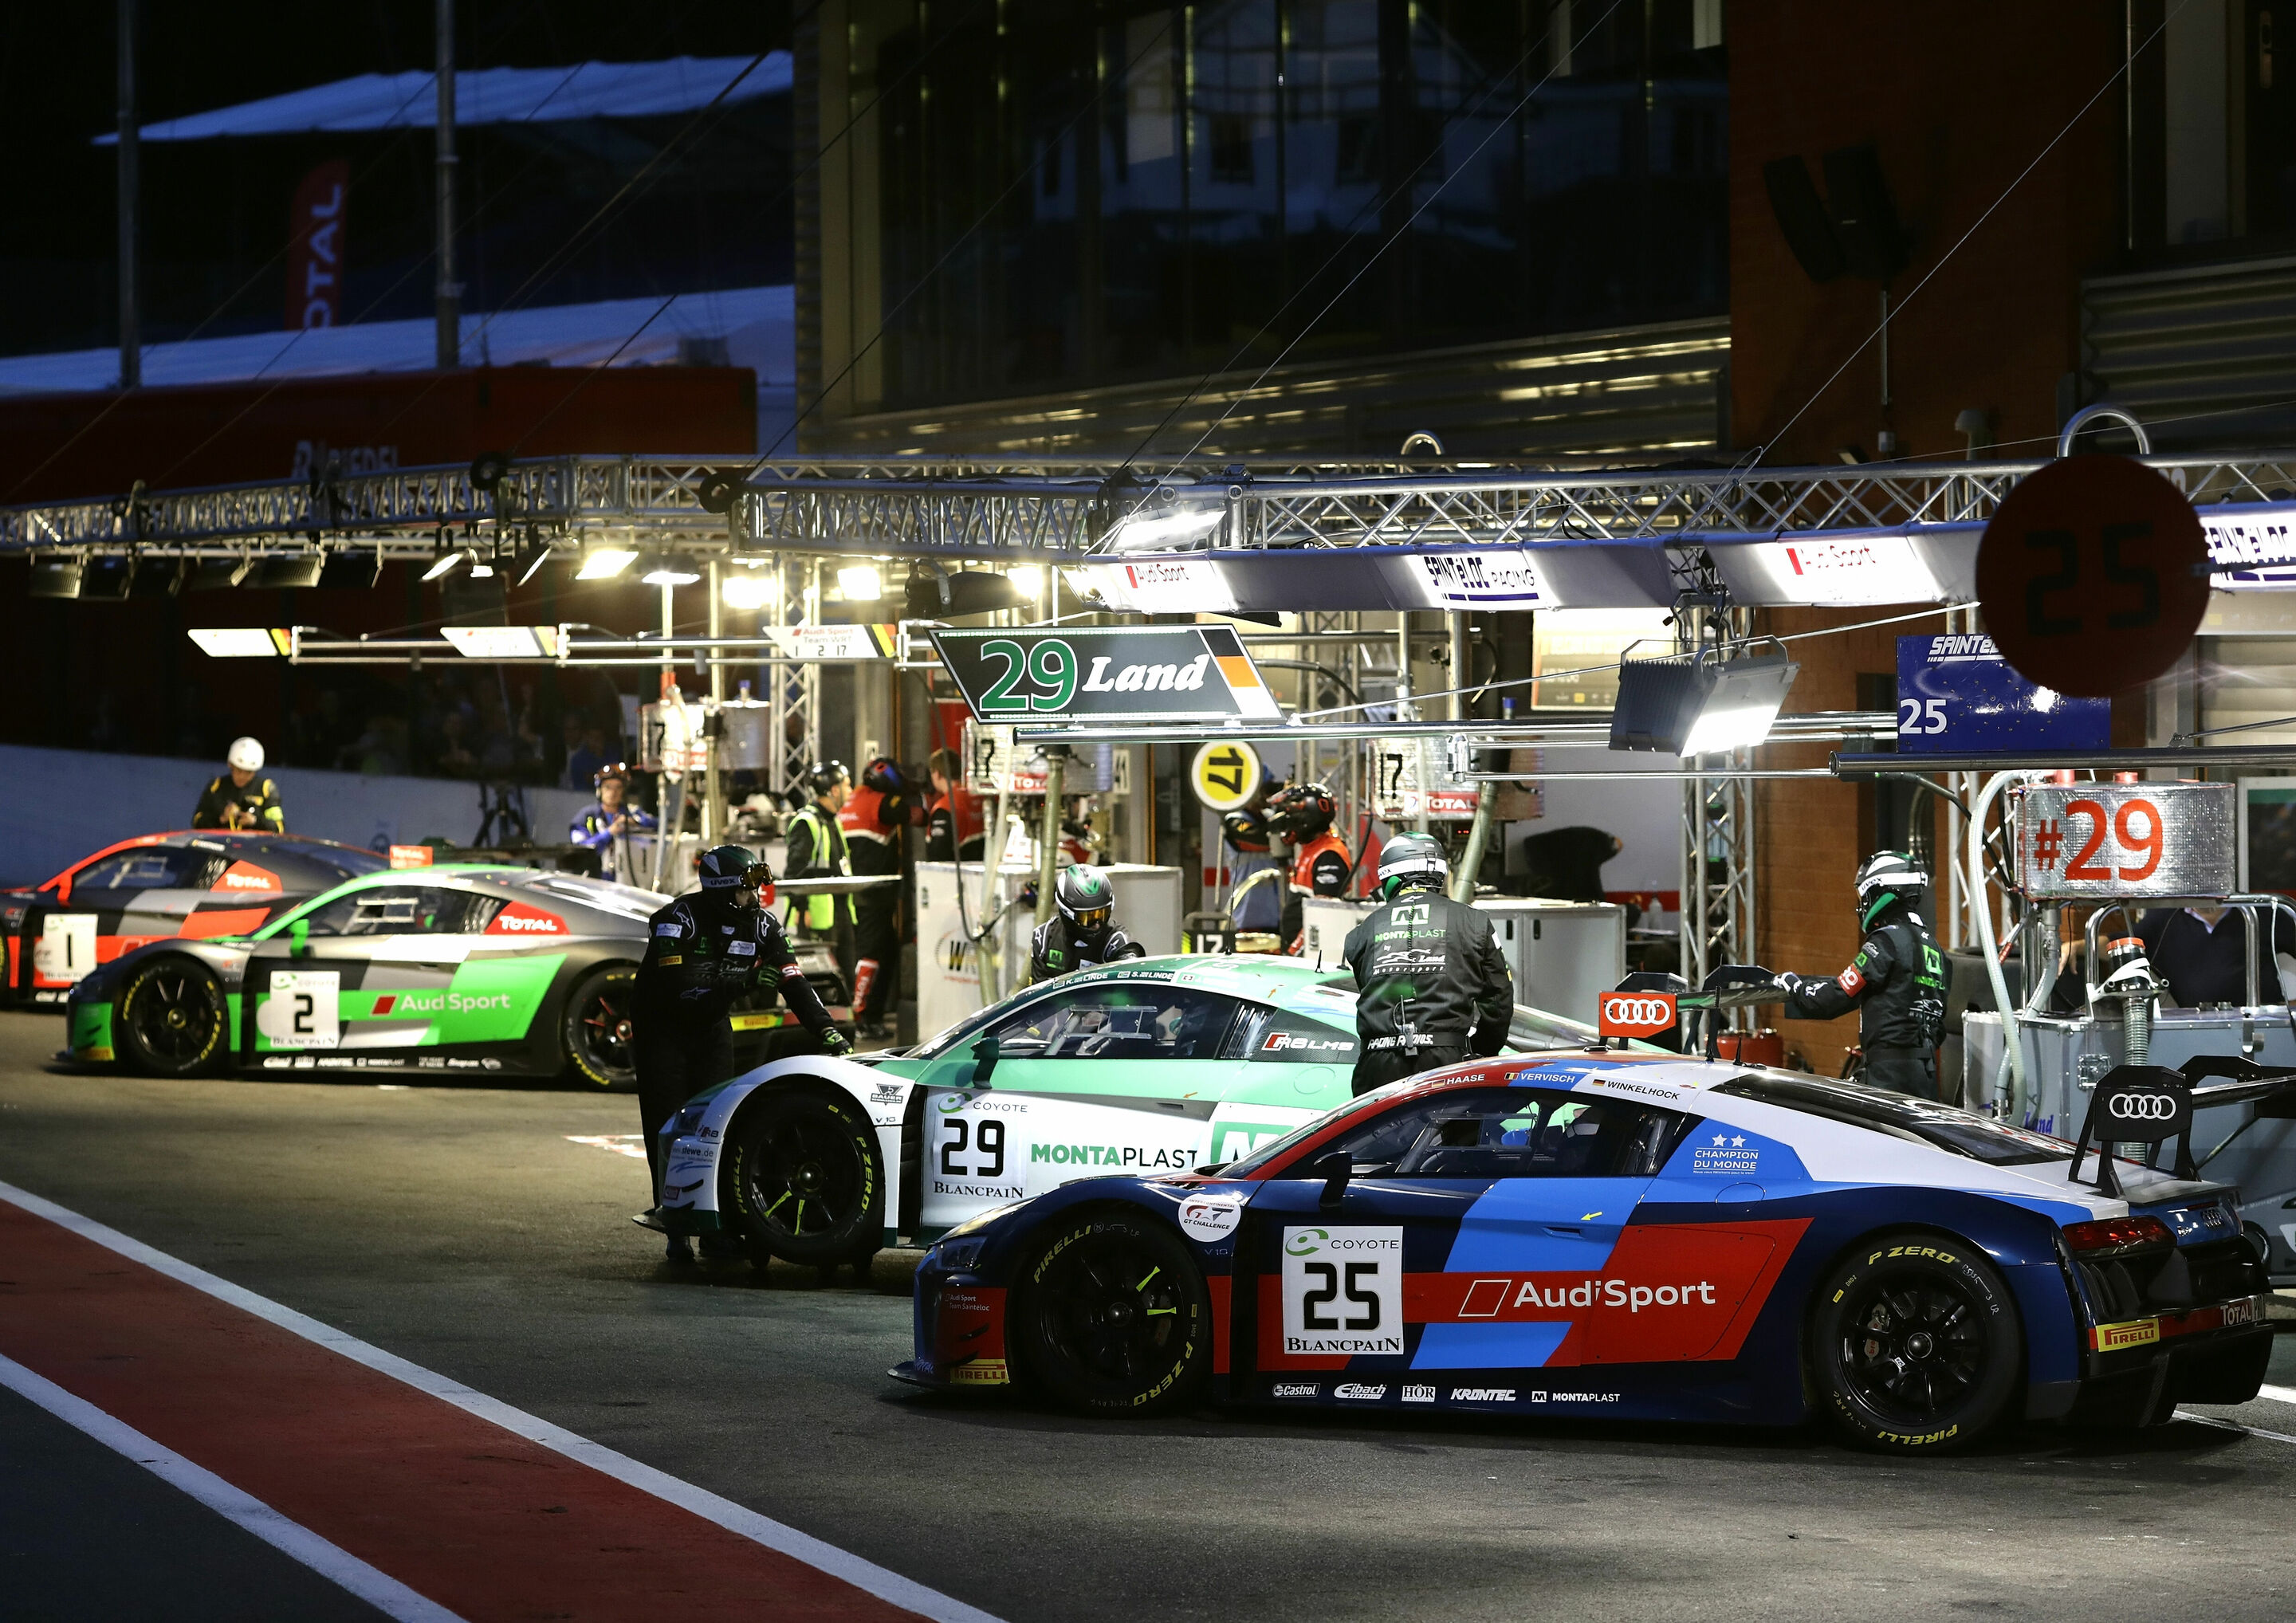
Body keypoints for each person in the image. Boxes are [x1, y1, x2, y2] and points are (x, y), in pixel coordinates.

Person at [633, 844, 849, 1266]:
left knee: (716, 1123)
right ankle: (675, 1228)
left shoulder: (764, 927)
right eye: (747, 891)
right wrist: (744, 983)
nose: (755, 899)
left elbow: (793, 979)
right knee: (668, 1129)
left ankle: (717, 1226)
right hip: (662, 1032)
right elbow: (678, 988)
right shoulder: (676, 921)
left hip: (711, 1030)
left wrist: (827, 1031)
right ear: (722, 890)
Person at [1341, 831, 1514, 1096]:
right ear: (1439, 875)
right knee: (1455, 1138)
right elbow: (1498, 1002)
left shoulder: (1362, 932)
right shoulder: (1474, 922)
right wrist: (1482, 1052)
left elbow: (1369, 990)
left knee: (1376, 1137)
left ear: (1389, 876)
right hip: (1448, 1063)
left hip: (1378, 1064)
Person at [1777, 850, 1949, 1098]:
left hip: (1887, 1078)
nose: (1863, 903)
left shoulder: (1885, 941)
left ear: (1880, 891)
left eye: (1865, 895)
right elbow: (1940, 1021)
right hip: (1926, 1078)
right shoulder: (1935, 948)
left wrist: (1794, 985)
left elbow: (1835, 997)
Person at [839, 757, 925, 1039]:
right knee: (872, 954)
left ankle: (871, 1015)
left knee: (885, 951)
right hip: (873, 894)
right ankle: (861, 1016)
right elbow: (915, 816)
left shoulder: (853, 799)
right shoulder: (880, 802)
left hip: (860, 892)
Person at [2134, 902, 2296, 1007]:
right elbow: (2120, 943)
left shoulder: (2261, 912)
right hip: (2195, 1032)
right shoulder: (2163, 919)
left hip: (2266, 1028)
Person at [784, 760, 857, 984]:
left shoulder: (833, 821)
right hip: (817, 917)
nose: (851, 791)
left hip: (840, 911)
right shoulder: (808, 822)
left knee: (846, 975)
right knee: (823, 981)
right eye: (847, 785)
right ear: (833, 790)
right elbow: (793, 872)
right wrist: (801, 907)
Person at [1265, 781, 1353, 954]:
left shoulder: (1329, 854)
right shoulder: (1311, 849)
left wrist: (1293, 953)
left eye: (1291, 813)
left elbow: (1322, 917)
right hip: (1302, 953)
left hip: (1313, 957)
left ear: (1307, 816)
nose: (1285, 821)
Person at [1030, 864, 1146, 983]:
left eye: (1102, 915)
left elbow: (1131, 986)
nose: (1097, 924)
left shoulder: (1118, 942)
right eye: (1088, 917)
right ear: (1067, 913)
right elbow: (1037, 996)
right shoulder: (1044, 939)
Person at [568, 764, 657, 883]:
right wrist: (610, 832)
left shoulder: (631, 813)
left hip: (628, 879)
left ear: (624, 791)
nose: (613, 792)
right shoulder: (587, 816)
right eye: (608, 787)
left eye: (618, 787)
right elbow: (580, 848)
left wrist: (636, 824)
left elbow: (659, 826)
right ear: (599, 790)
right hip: (594, 879)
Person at [1218, 775, 1283, 933]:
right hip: (1246, 915)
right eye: (1263, 790)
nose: (1267, 796)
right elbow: (1260, 839)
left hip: (1275, 913)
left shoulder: (1269, 817)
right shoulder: (1235, 820)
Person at [192, 737, 287, 832]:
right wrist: (221, 818)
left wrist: (255, 822)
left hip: (253, 845)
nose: (242, 776)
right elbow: (197, 821)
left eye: (248, 772)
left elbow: (279, 827)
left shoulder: (266, 789)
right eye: (239, 770)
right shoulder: (216, 786)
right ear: (230, 765)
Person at [924, 747, 985, 862]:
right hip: (980, 869)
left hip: (955, 874)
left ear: (937, 774)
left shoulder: (945, 807)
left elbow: (938, 855)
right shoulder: (976, 797)